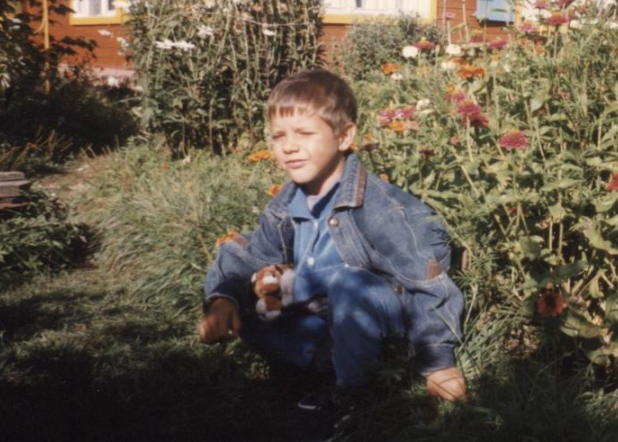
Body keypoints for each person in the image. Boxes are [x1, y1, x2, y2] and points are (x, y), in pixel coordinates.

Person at [197, 69, 467, 406]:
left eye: (305, 133)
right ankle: (326, 363)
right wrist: (223, 300)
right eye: (279, 136)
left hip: (376, 312)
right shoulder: (286, 202)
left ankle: (353, 397)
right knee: (258, 285)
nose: (289, 147)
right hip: (321, 313)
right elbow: (254, 256)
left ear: (344, 137)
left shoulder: (379, 207)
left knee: (347, 284)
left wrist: (438, 362)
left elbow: (425, 282)